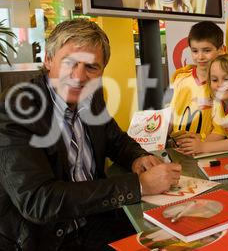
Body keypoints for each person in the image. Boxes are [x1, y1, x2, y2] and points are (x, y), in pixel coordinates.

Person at [0, 19, 181, 250]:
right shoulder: (16, 108)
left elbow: (116, 140)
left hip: (96, 221)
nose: (79, 76)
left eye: (91, 67)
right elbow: (39, 201)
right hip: (47, 239)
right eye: (69, 63)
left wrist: (138, 157)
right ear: (48, 60)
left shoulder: (91, 97)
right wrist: (139, 185)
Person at [175, 54, 228, 155]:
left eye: (226, 79)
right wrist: (194, 146)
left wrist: (203, 147)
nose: (220, 84)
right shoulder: (219, 104)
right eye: (214, 80)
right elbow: (219, 133)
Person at [169, 21, 224, 142]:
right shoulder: (180, 78)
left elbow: (220, 132)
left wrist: (200, 142)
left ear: (221, 50)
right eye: (195, 51)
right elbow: (172, 115)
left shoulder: (223, 86)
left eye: (207, 50)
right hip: (176, 148)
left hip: (206, 151)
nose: (200, 57)